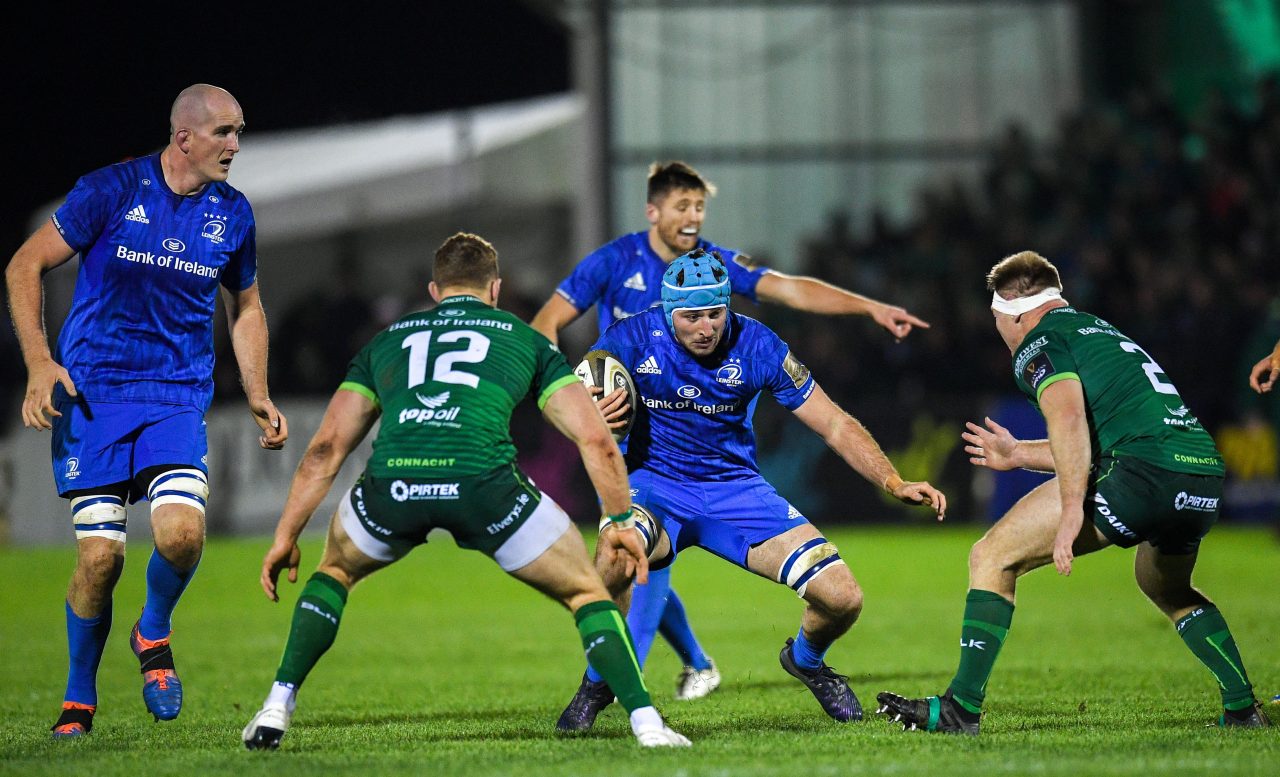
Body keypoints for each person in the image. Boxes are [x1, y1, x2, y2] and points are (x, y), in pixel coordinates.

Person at [241, 233, 689, 750]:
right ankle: (647, 726)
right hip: (484, 486)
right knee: (588, 592)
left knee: (335, 572)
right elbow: (596, 440)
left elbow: (325, 450)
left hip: (396, 482)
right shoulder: (528, 341)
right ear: (495, 289)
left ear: (435, 290)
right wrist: (618, 522)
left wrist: (285, 535)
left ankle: (277, 705)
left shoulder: (387, 342)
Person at [531, 160, 931, 701]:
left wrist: (867, 306)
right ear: (654, 212)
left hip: (727, 476)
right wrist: (575, 399)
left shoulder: (725, 280)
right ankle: (607, 687)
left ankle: (752, 661)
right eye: (682, 207)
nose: (693, 217)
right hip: (635, 449)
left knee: (840, 596)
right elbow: (546, 326)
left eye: (699, 206)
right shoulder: (615, 266)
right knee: (626, 564)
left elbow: (790, 294)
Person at [876, 250, 1271, 734]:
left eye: (995, 317)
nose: (997, 329)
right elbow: (1098, 438)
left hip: (1141, 473)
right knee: (1163, 584)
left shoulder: (1039, 342)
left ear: (1014, 313)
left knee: (992, 556)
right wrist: (1021, 453)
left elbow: (1068, 419)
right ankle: (1242, 710)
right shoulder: (1097, 330)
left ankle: (960, 709)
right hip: (1200, 471)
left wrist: (1070, 510)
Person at [5, 84, 288, 738]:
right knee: (101, 560)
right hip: (94, 395)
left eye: (239, 131)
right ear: (184, 137)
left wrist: (257, 391)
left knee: (183, 535)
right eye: (223, 132)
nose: (236, 146)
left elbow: (245, 306)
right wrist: (40, 362)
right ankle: (80, 697)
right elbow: (25, 265)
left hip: (175, 396)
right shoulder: (111, 190)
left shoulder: (233, 213)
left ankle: (151, 632)